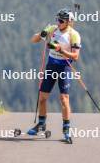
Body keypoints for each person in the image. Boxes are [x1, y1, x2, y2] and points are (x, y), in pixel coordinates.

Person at [27, 8, 82, 141]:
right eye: (57, 19)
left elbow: (75, 56)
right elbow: (33, 40)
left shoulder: (73, 35)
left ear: (68, 22)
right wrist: (42, 33)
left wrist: (61, 50)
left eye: (61, 20)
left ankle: (66, 130)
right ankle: (41, 124)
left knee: (64, 99)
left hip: (64, 67)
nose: (58, 22)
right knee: (42, 97)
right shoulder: (53, 29)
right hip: (51, 65)